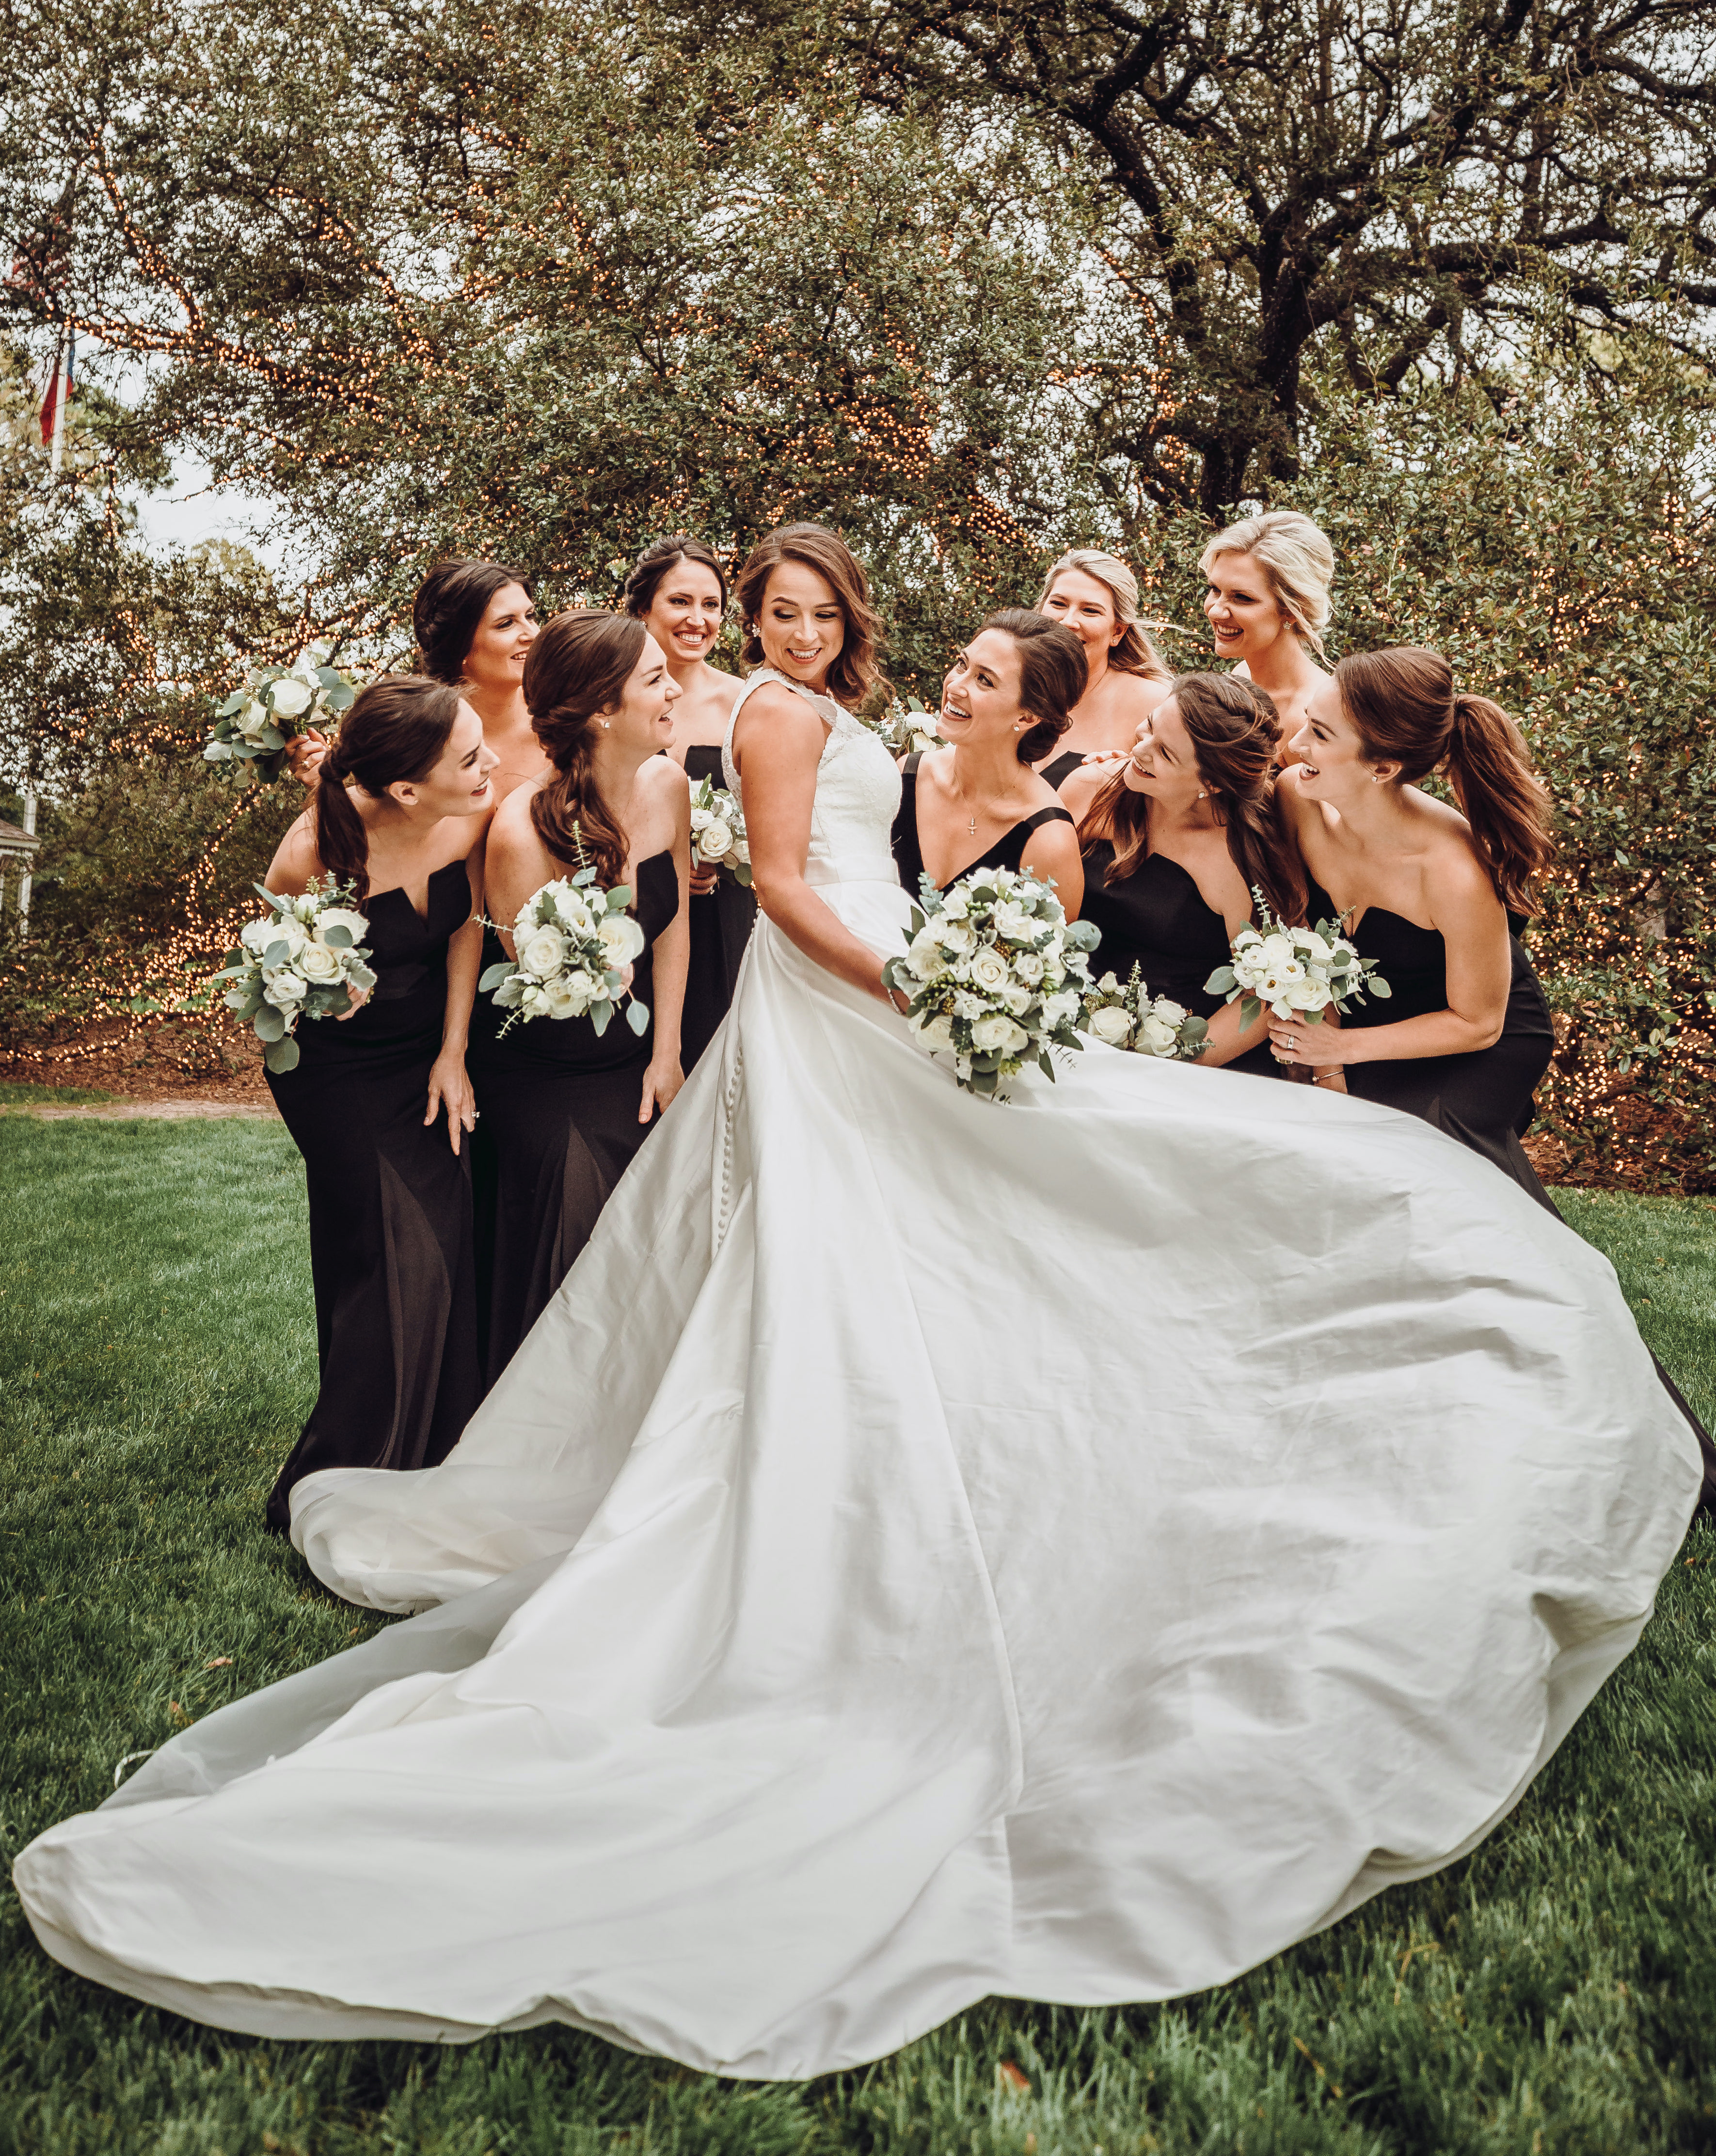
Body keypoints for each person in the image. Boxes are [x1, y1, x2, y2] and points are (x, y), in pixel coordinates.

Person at [15, 526, 1700, 2086]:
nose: (883, 660)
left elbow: (1016, 866)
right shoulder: (770, 726)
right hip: (833, 1005)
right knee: (814, 1267)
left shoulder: (998, 780)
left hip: (886, 999)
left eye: (961, 665)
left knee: (981, 1223)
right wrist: (910, 982)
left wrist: (963, 973)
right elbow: (780, 881)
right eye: (807, 616)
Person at [1271, 644, 1716, 1500]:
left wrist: (1343, 1054)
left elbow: (1476, 1019)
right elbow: (1298, 922)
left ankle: (1675, 1449)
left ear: (1385, 766)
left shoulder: (1452, 865)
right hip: (1369, 1024)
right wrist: (1321, 1029)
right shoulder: (1300, 799)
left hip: (1477, 1045)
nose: (1298, 739)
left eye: (1321, 732)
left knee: (1457, 1178)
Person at [254, 675, 495, 1531]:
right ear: (403, 789)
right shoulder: (314, 850)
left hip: (425, 1054)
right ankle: (323, 1485)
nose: (488, 763)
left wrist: (454, 1051)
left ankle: (430, 1454)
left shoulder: (469, 813)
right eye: (469, 757)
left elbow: (469, 926)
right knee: (389, 1253)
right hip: (334, 1072)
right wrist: (315, 986)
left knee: (446, 1238)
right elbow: (271, 993)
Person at [466, 611, 690, 1384]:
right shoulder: (521, 833)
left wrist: (666, 1055)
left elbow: (674, 927)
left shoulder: (669, 784)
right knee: (574, 1218)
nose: (676, 689)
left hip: (636, 1061)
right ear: (601, 709)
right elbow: (530, 991)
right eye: (655, 678)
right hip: (542, 1073)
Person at [1060, 672, 1295, 1077]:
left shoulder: (1236, 858)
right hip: (1061, 1023)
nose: (1141, 748)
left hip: (1171, 1056)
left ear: (1212, 782)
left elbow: (1262, 996)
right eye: (1150, 724)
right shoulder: (1090, 788)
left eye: (1166, 753)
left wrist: (1180, 1063)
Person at [622, 535, 753, 1069]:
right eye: (680, 601)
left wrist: (731, 853)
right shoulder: (606, 698)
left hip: (719, 920)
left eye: (711, 604)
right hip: (624, 912)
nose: (697, 618)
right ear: (641, 608)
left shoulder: (746, 702)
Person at [891, 609, 1084, 909]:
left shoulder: (1048, 841)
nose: (955, 687)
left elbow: (1057, 953)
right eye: (962, 664)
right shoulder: (907, 777)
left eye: (984, 680)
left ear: (1028, 716)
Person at [1201, 510, 1335, 761]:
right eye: (1214, 589)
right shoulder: (1241, 676)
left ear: (1294, 610)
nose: (1216, 610)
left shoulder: (1310, 717)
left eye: (1242, 598)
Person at [1033, 550, 1173, 788]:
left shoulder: (1156, 704)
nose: (1068, 621)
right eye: (1058, 604)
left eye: (1090, 610)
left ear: (1118, 632)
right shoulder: (1014, 686)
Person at [414, 558, 545, 803]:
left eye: (531, 616)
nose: (533, 634)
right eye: (506, 624)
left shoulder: (565, 719)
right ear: (459, 645)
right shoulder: (422, 750)